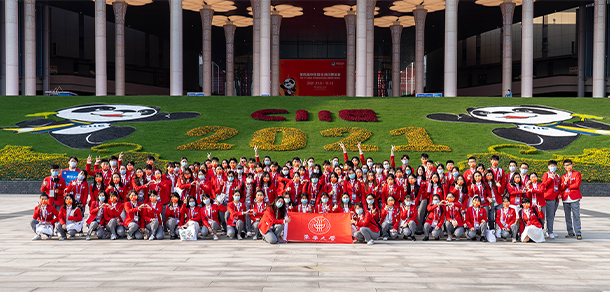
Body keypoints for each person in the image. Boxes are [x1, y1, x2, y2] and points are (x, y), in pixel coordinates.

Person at [560, 159, 582, 240]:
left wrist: (568, 186)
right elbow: (561, 188)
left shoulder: (577, 174)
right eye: (566, 165)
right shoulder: (563, 176)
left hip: (574, 198)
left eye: (569, 164)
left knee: (576, 215)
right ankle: (570, 232)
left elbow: (577, 184)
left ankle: (578, 232)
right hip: (566, 198)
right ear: (564, 167)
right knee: (567, 216)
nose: (568, 166)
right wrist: (565, 182)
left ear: (572, 165)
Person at [542, 160, 561, 239]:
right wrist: (550, 178)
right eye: (551, 166)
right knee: (547, 216)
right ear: (548, 167)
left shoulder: (558, 176)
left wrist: (560, 194)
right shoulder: (546, 174)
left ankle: (549, 230)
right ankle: (549, 232)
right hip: (548, 197)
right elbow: (544, 185)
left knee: (552, 216)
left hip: (555, 198)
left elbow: (559, 187)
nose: (553, 167)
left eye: (554, 166)